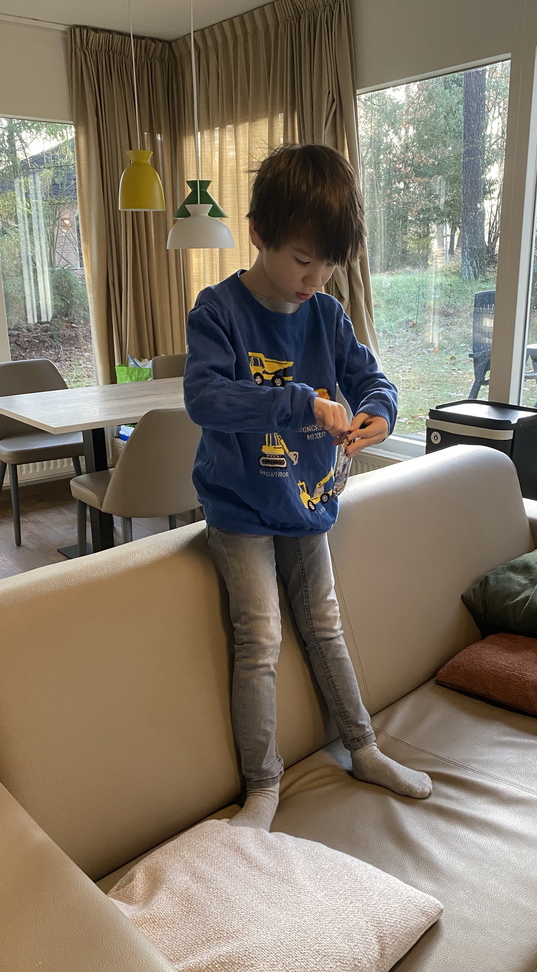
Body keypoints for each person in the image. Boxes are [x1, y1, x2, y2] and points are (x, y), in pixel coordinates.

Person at [183, 143, 432, 829]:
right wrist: (295, 403)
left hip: (309, 503)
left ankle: (364, 747)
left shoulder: (326, 315)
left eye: (327, 264)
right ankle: (262, 786)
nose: (313, 278)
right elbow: (204, 399)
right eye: (301, 260)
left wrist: (378, 413)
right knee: (259, 637)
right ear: (259, 234)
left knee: (325, 625)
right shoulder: (220, 311)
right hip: (238, 509)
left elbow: (371, 378)